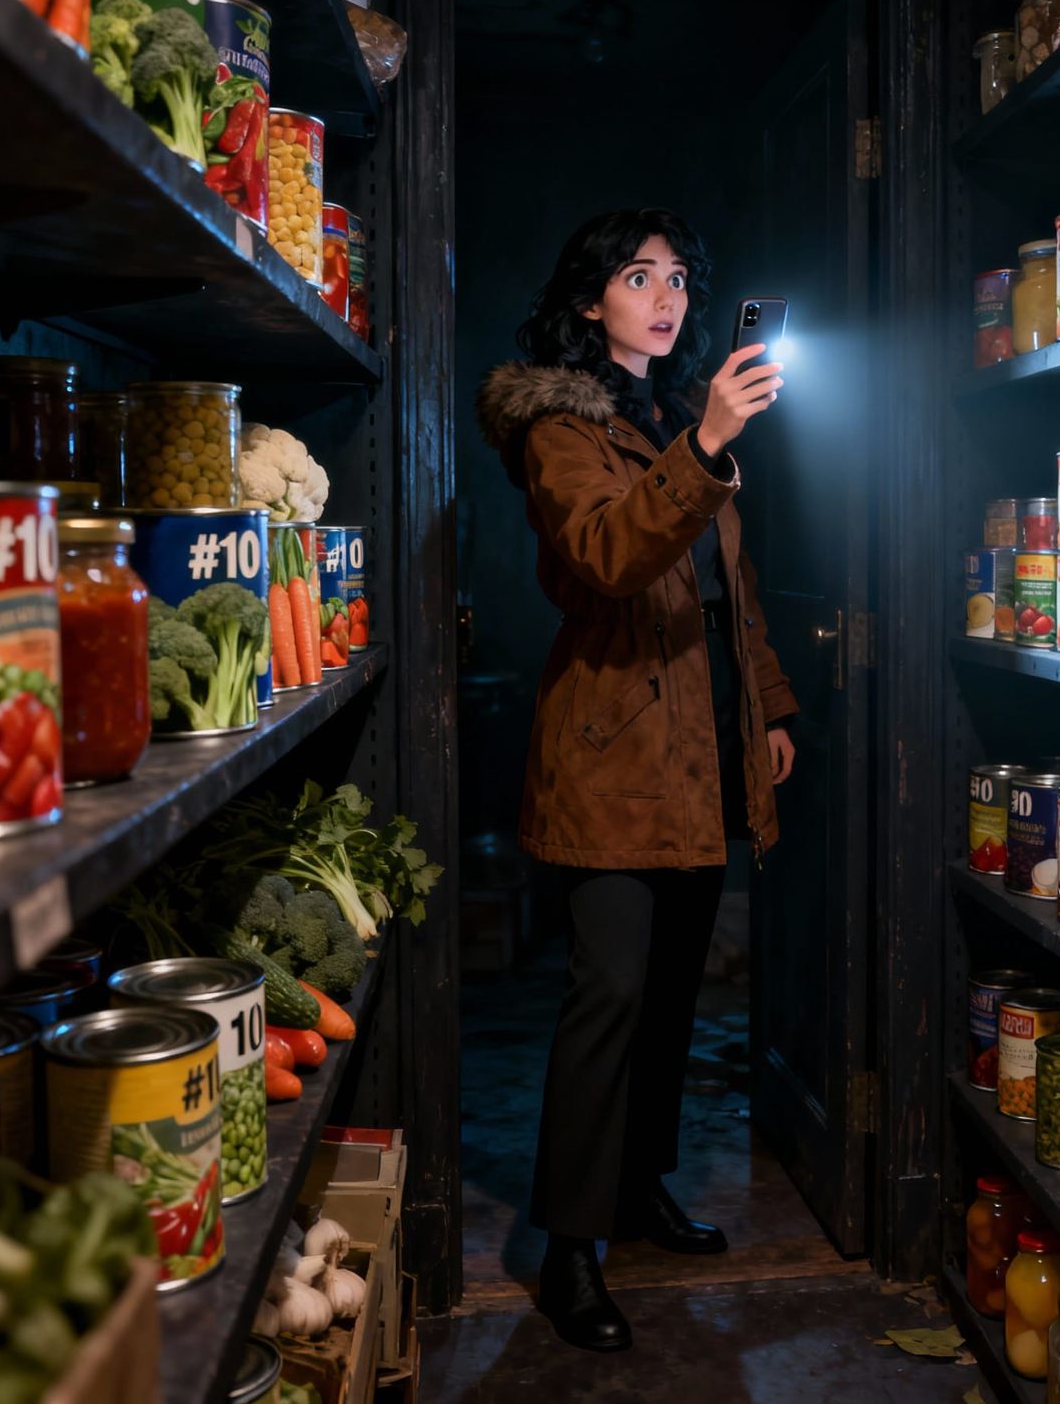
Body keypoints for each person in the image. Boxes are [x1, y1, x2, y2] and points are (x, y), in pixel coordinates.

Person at [476, 207, 798, 1353]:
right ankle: (567, 1244)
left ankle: (640, 1188)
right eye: (633, 276)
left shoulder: (673, 414)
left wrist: (763, 704)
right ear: (587, 303)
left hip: (703, 737)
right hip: (613, 752)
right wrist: (705, 448)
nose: (661, 297)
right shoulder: (560, 427)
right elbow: (609, 558)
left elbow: (730, 588)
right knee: (607, 997)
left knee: (671, 997)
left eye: (675, 278)